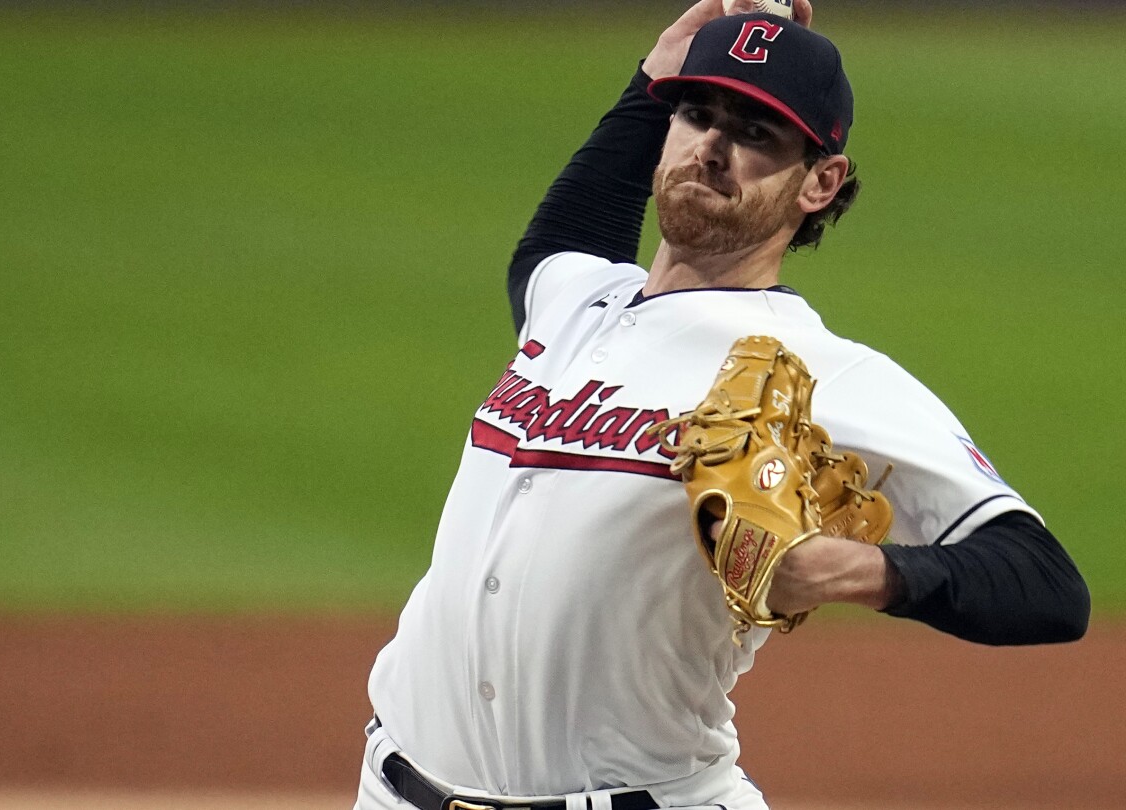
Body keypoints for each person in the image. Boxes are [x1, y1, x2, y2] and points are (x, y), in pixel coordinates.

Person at [355, 3, 1089, 809]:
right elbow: (555, 241)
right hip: (395, 787)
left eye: (754, 133)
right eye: (696, 113)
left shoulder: (823, 373)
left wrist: (859, 571)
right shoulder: (573, 298)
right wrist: (651, 78)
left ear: (820, 181)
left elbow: (1047, 585)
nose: (710, 146)